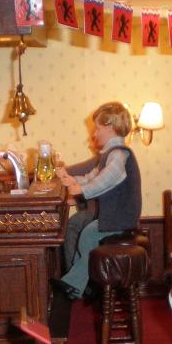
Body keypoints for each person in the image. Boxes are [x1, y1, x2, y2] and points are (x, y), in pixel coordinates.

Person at [53, 101, 142, 300]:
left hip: (122, 218)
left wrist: (81, 190)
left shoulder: (119, 154)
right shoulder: (110, 154)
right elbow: (93, 176)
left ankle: (74, 285)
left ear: (110, 128)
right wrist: (73, 180)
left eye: (98, 129)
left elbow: (107, 179)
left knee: (88, 235)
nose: (94, 133)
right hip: (116, 217)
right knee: (87, 234)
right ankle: (76, 283)